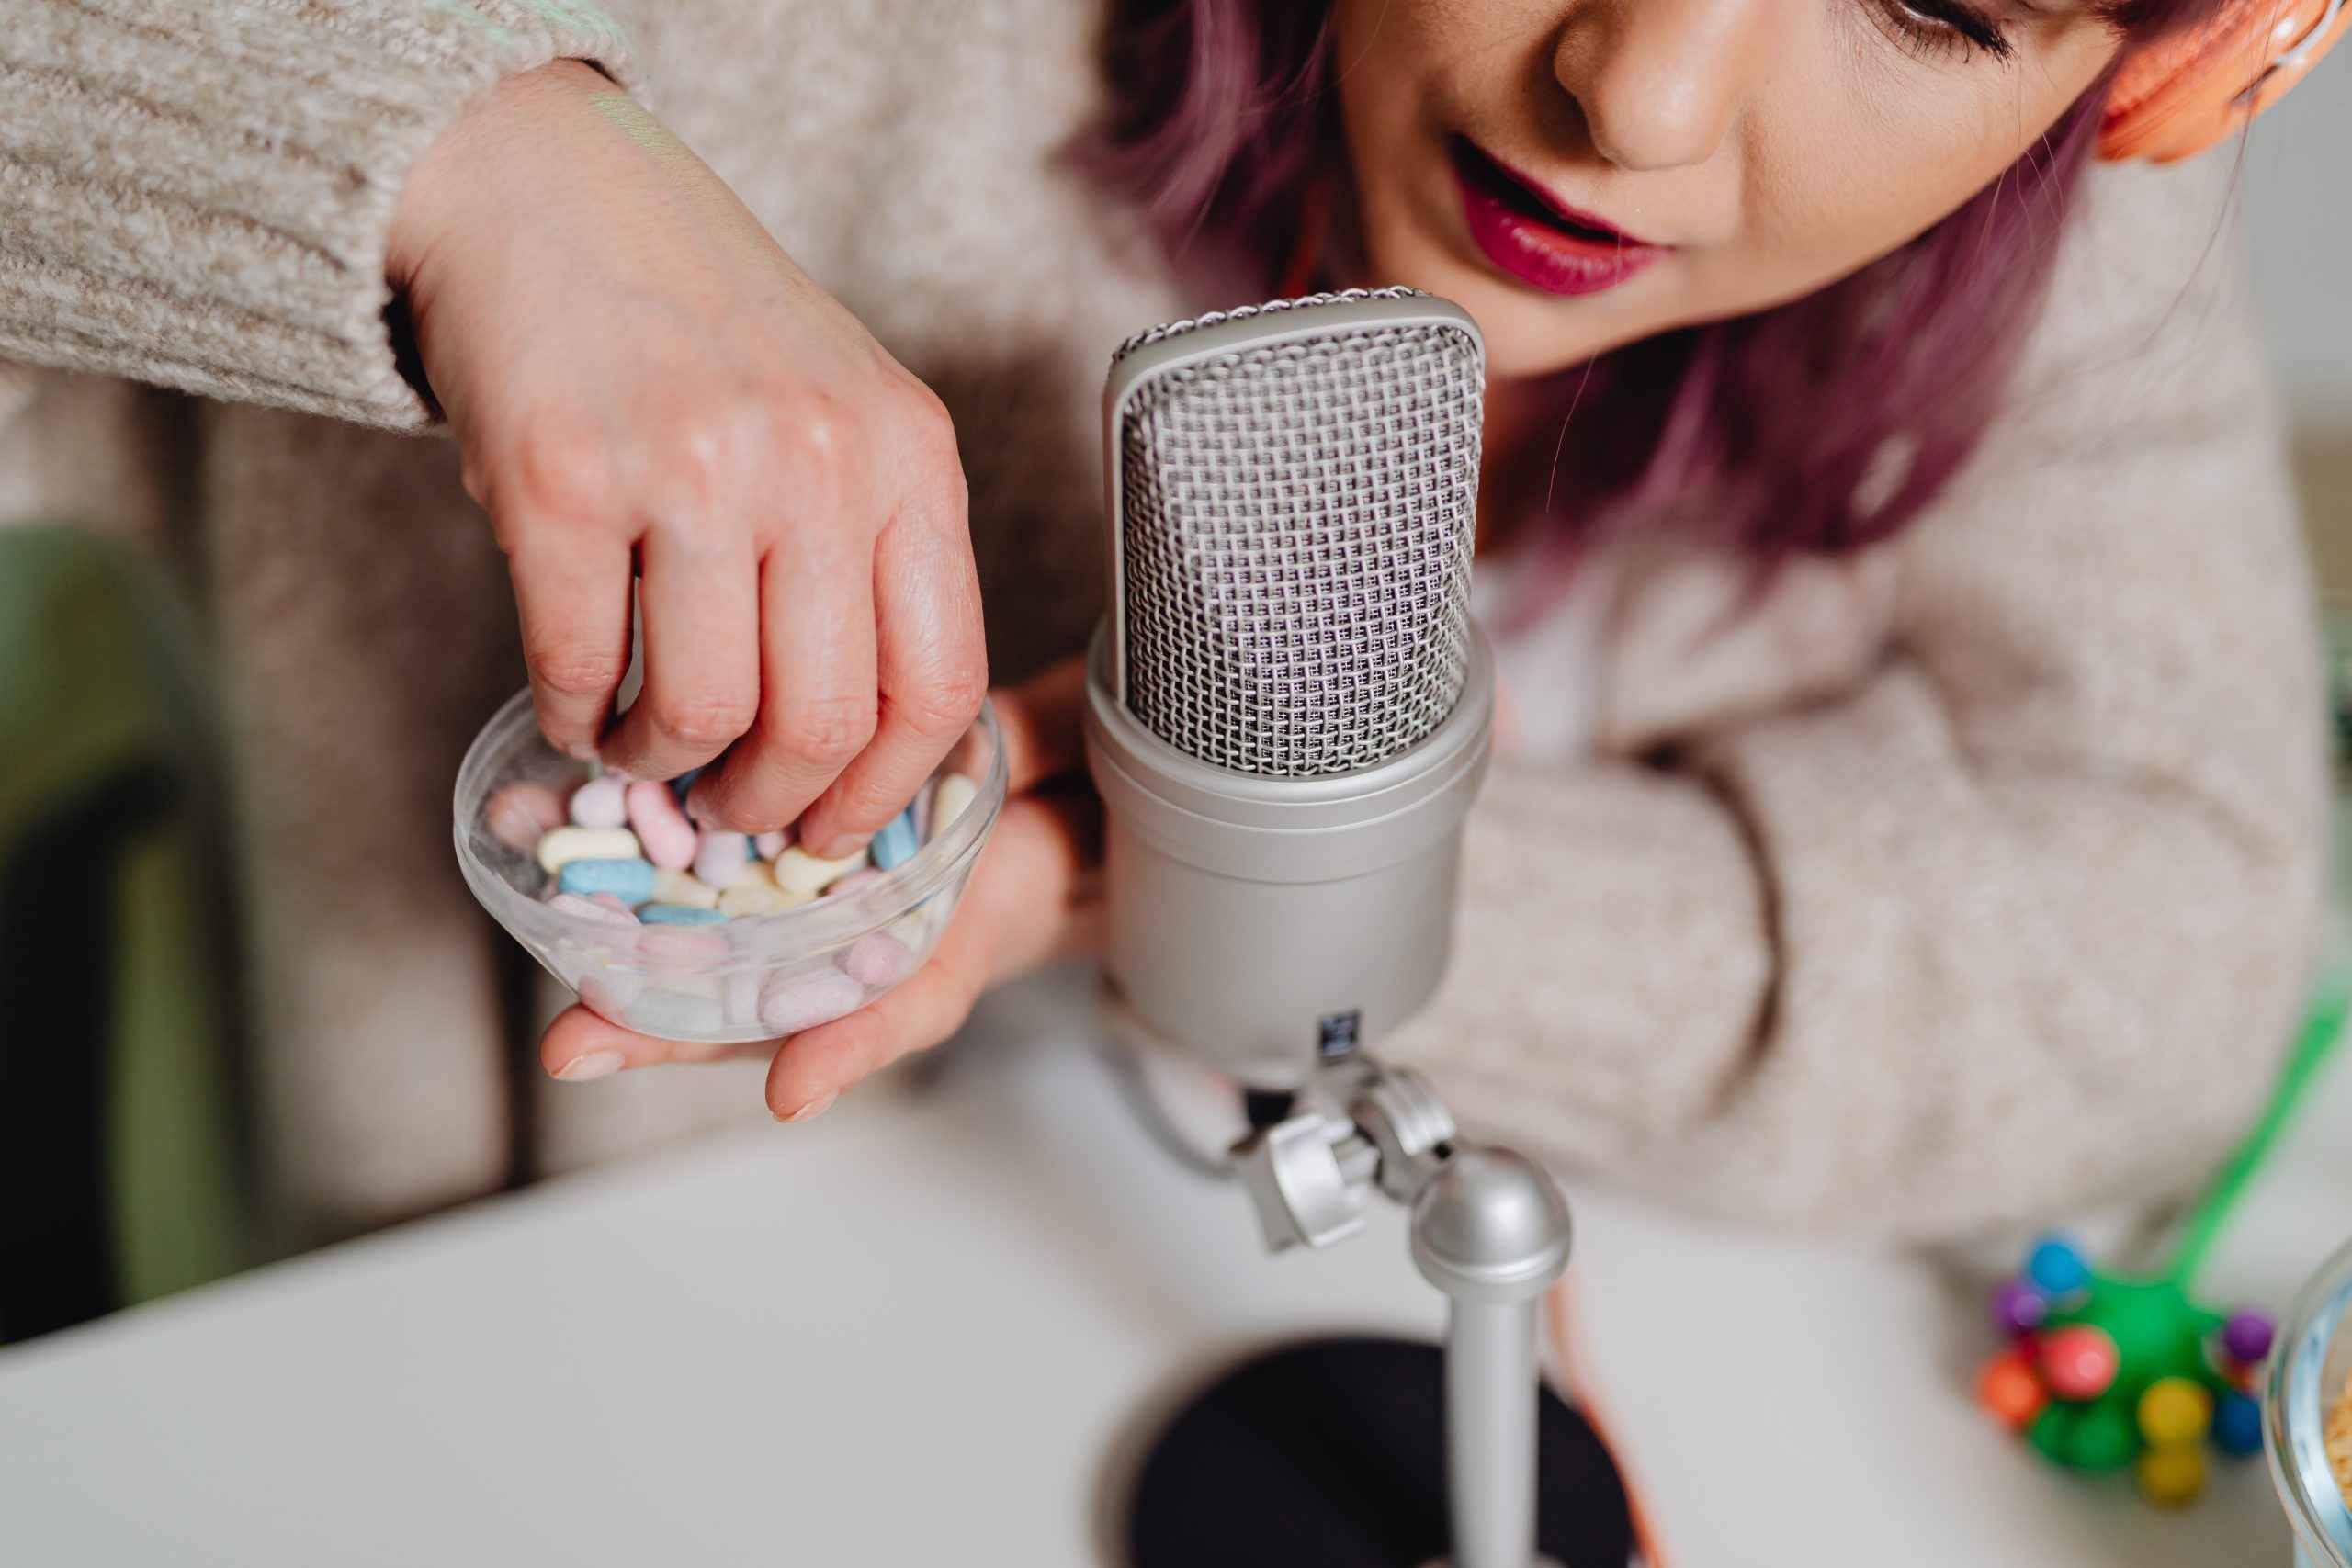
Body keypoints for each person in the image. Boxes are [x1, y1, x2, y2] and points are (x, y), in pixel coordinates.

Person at [0, 0, 2330, 1247]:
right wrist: (452, 157)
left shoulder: (2062, 237)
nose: (1639, 82)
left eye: (1925, 1)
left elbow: (2181, 941)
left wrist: (1205, 864)